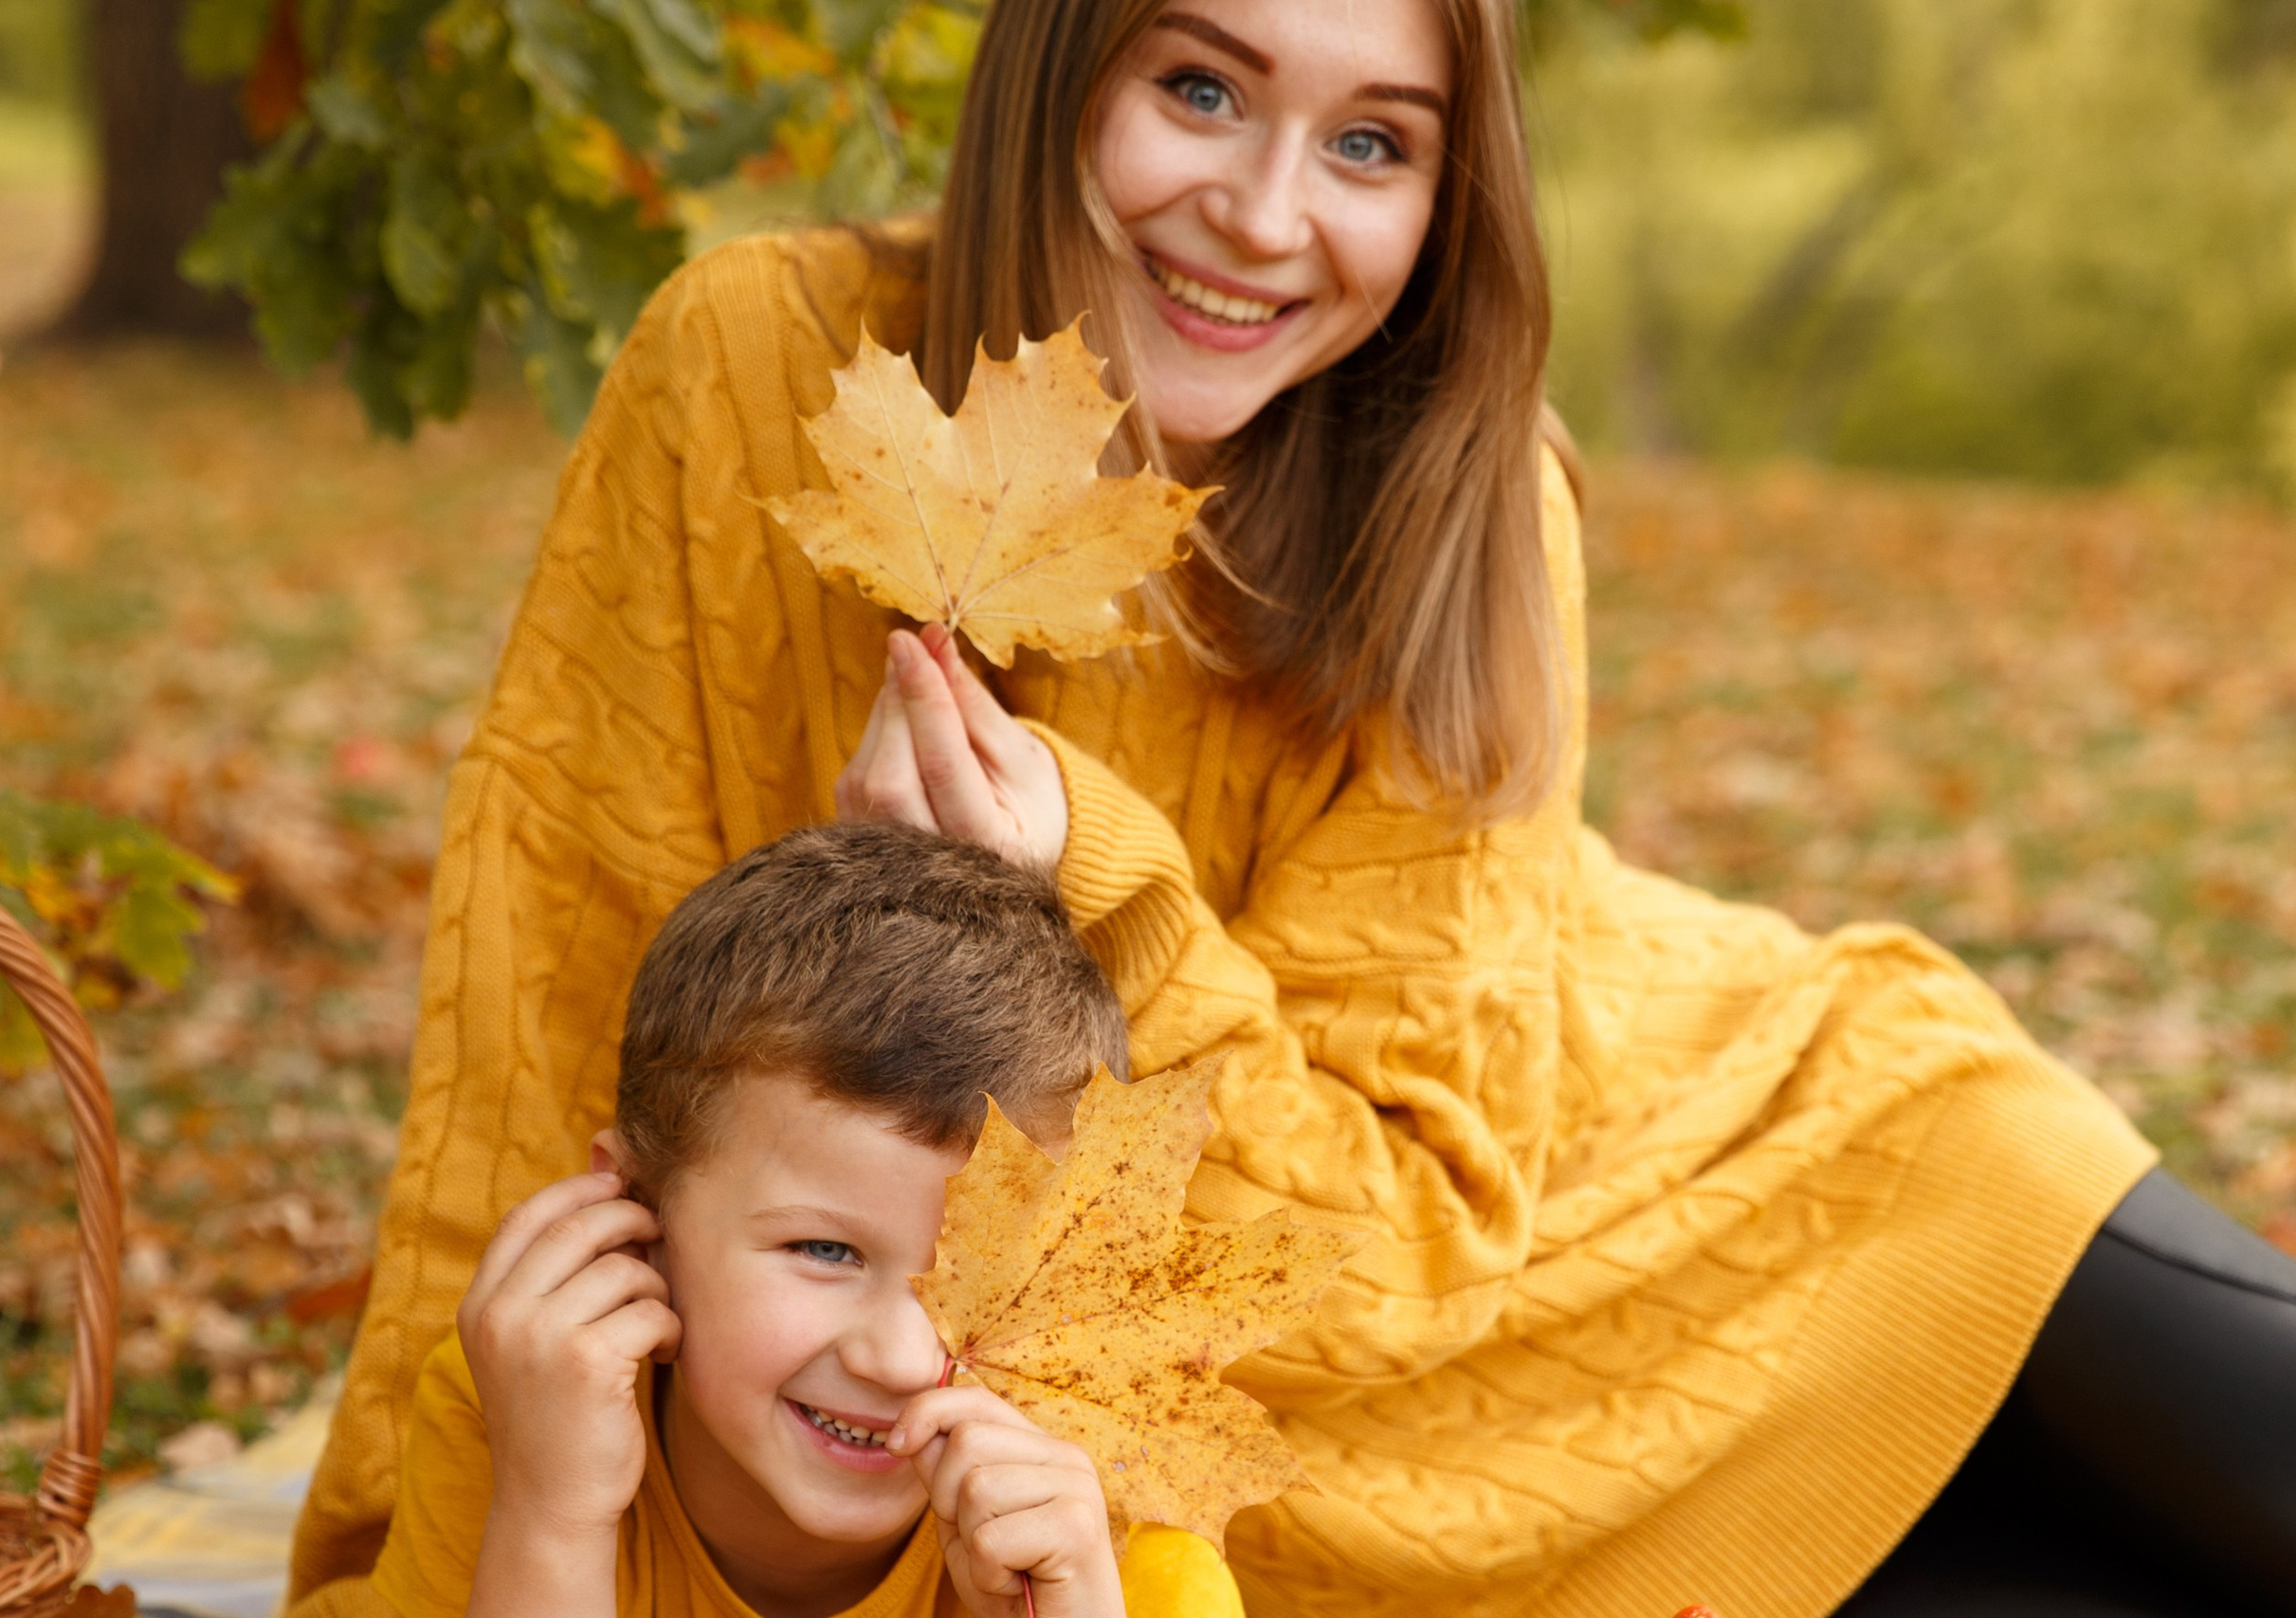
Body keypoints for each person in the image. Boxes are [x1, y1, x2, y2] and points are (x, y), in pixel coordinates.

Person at [286, 0, 2296, 1613]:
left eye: (1369, 141)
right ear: (1056, 69)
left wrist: (1111, 884)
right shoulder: (755, 371)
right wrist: (439, 1523)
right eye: (1196, 84)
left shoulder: (1468, 498)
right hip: (1345, 1480)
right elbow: (549, 1054)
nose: (1259, 214)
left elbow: (1399, 1233)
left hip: (1781, 1175)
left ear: (1447, 187)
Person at [369, 820, 1245, 1618]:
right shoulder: (532, 1416)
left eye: (989, 1271)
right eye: (824, 1248)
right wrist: (553, 1518)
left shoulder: (1122, 1562)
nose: (904, 1360)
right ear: (641, 1216)